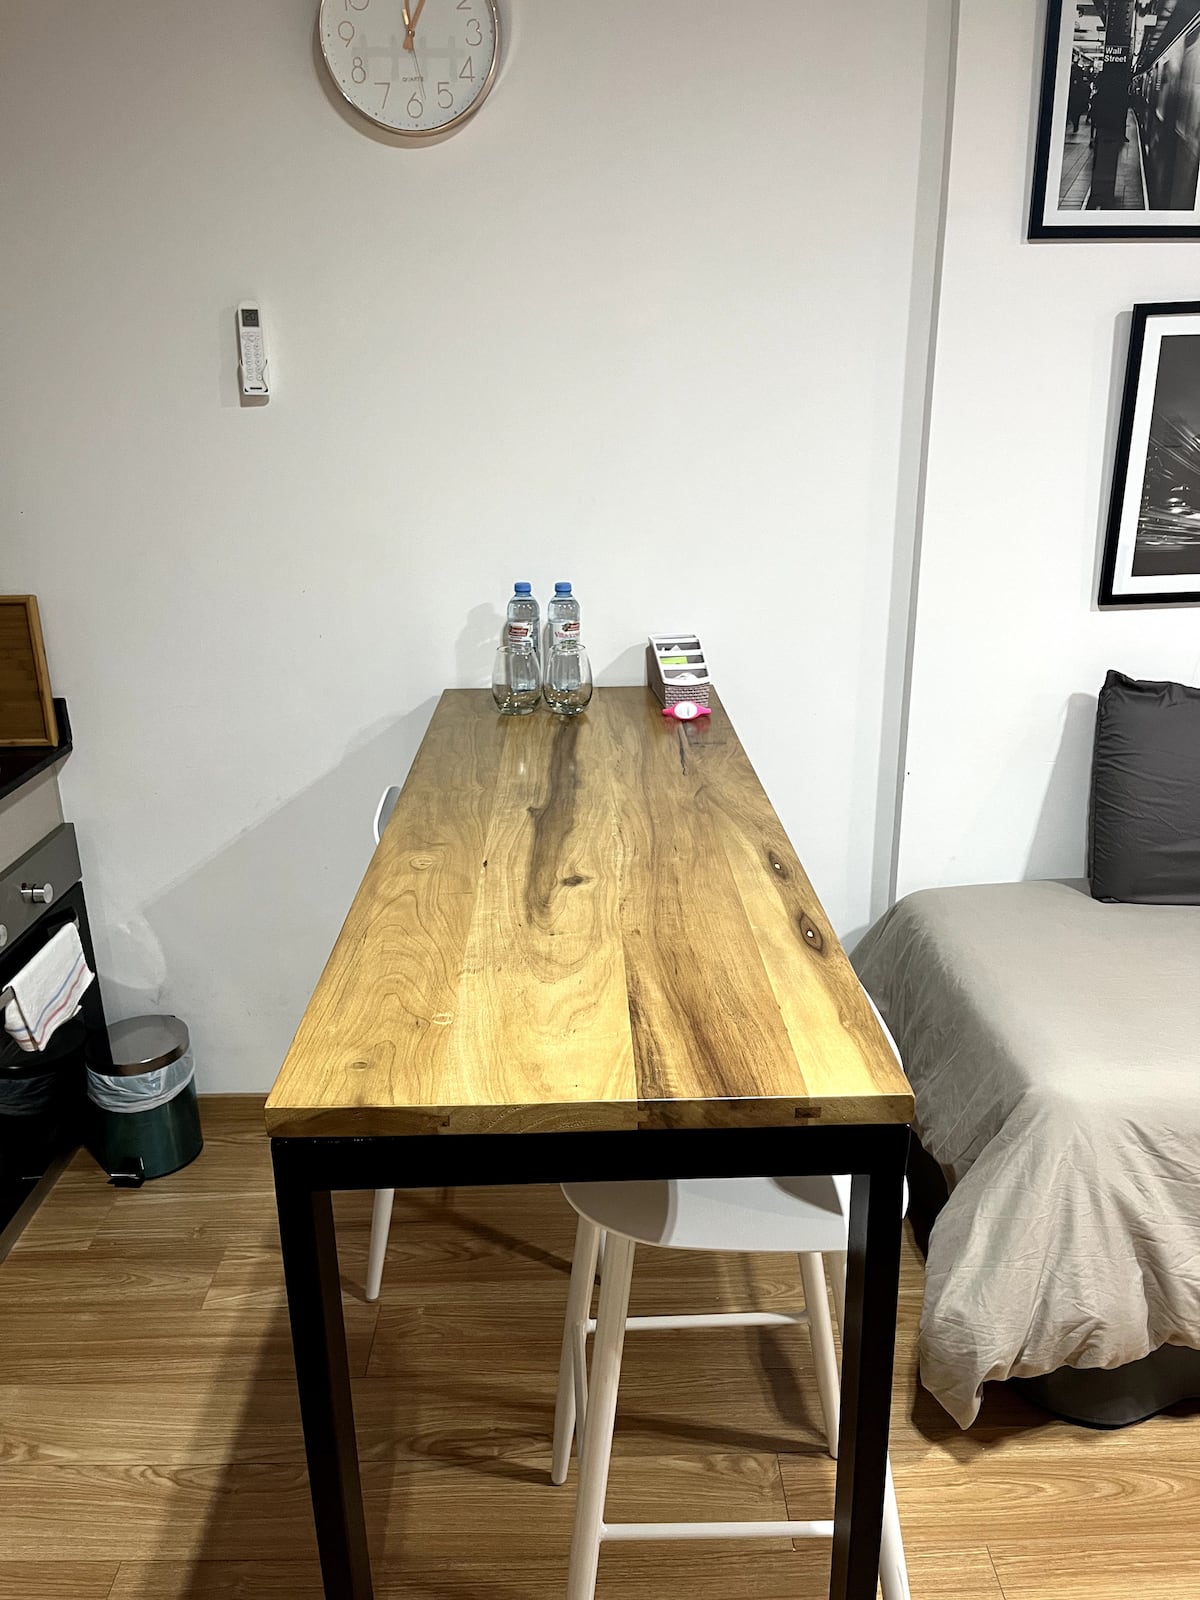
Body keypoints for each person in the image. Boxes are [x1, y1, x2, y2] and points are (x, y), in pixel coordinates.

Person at [1068, 64, 1091, 134]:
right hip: (1079, 99)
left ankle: (1074, 124)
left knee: (1074, 113)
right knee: (1076, 113)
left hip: (1075, 99)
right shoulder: (1083, 83)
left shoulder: (1073, 82)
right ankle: (1075, 124)